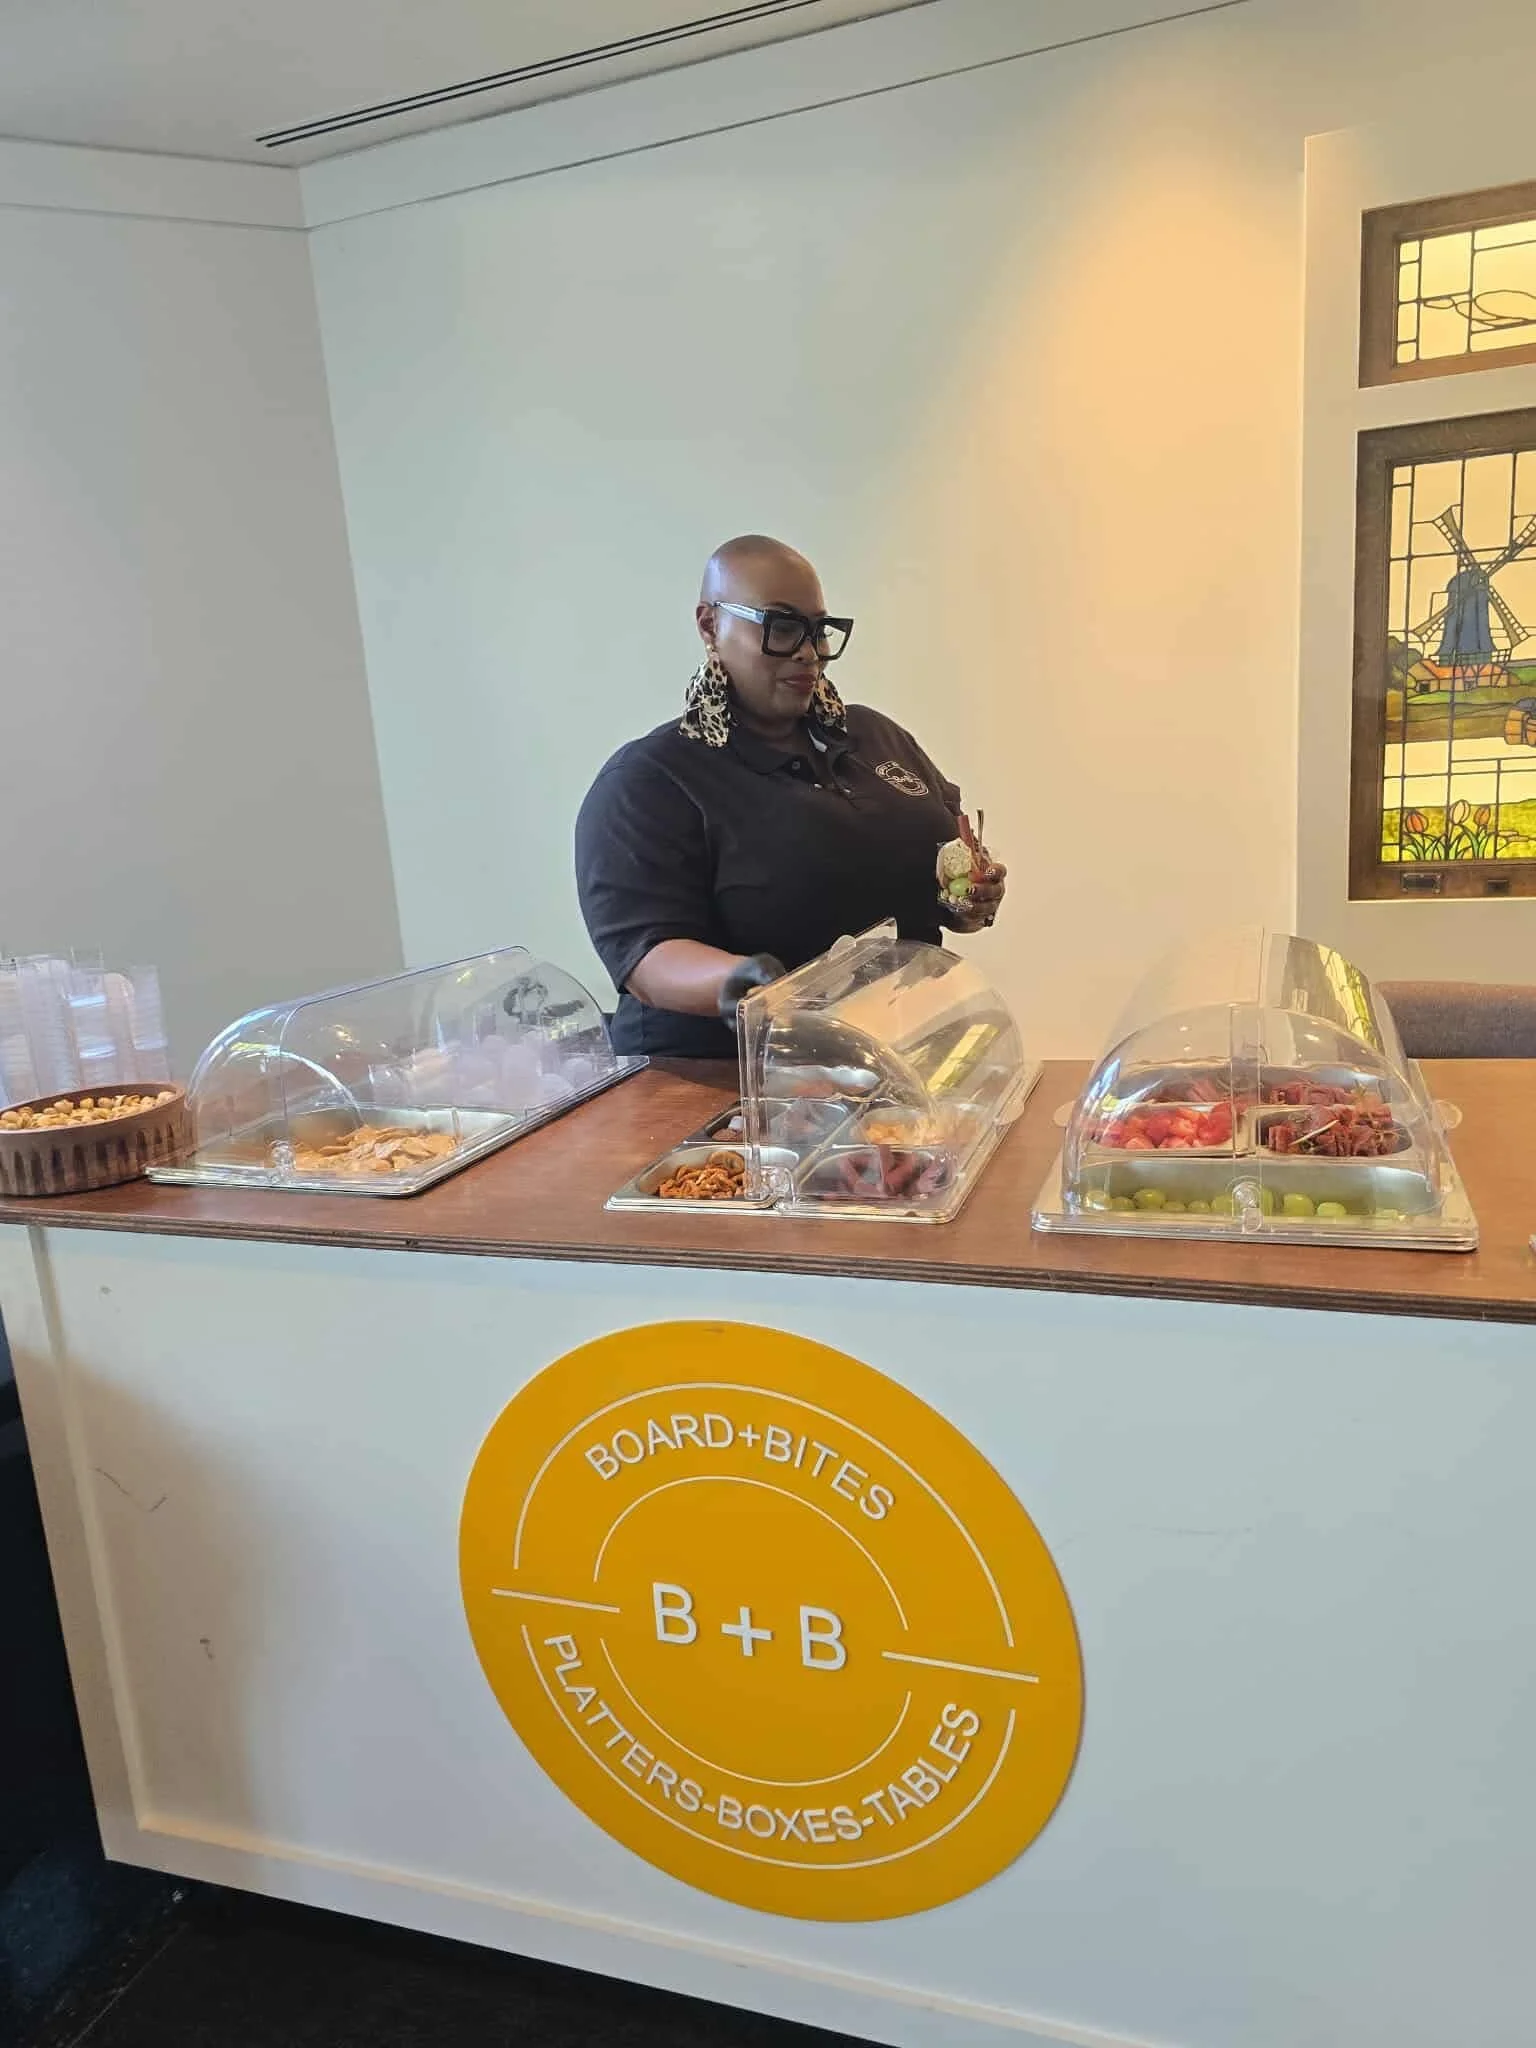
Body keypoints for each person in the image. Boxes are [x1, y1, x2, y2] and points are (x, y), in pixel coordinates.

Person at [574, 535, 1006, 1058]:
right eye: (781, 627)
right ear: (710, 625)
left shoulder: (877, 737)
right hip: (719, 1088)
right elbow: (646, 956)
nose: (808, 651)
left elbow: (945, 869)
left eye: (818, 630)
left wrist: (968, 900)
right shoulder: (651, 780)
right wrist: (745, 981)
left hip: (893, 1061)